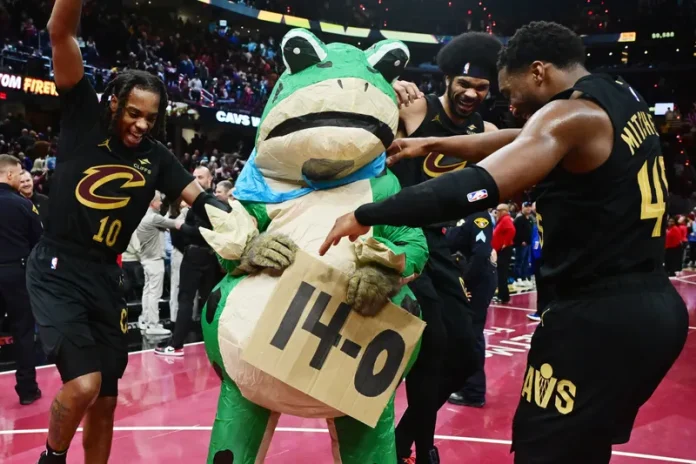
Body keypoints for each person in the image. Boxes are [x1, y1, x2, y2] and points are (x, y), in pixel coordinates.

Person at [321, 21, 688, 463]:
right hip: (652, 309)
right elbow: (519, 140)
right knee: (583, 449)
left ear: (537, 72)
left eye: (508, 90)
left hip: (596, 316)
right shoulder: (616, 97)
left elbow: (475, 187)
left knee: (542, 450)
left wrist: (366, 214)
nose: (509, 103)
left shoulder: (567, 115)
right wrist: (432, 143)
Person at [28, 1, 229, 462]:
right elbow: (60, 32)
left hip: (105, 275)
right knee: (84, 385)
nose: (141, 124)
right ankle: (51, 459)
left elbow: (203, 204)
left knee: (106, 401)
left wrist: (249, 228)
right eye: (133, 113)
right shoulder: (83, 115)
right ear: (114, 102)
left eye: (150, 118)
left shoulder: (157, 156)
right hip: (57, 267)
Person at [385, 31, 505, 464]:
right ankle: (420, 448)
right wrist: (389, 84)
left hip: (442, 246)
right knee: (433, 347)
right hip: (402, 238)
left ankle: (407, 437)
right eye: (465, 84)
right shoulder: (417, 106)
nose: (472, 93)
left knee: (465, 356)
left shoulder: (486, 131)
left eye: (481, 88)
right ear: (448, 77)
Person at [156, 167, 223, 357]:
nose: (195, 180)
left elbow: (202, 231)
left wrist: (181, 226)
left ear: (210, 179)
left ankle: (176, 344)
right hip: (206, 255)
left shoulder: (207, 205)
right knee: (206, 301)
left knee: (188, 300)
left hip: (198, 256)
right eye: (193, 177)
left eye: (200, 177)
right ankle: (214, 344)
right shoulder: (206, 204)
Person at [0, 155, 43, 405]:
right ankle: (27, 390)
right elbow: (38, 241)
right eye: (18, 175)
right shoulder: (23, 205)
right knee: (24, 332)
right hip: (17, 273)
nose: (20, 179)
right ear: (9, 176)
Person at [444, 210, 497, 408]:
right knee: (466, 333)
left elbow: (481, 253)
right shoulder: (462, 217)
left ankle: (474, 391)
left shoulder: (478, 218)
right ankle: (465, 382)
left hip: (476, 282)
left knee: (472, 333)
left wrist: (465, 282)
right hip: (468, 280)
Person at [134, 191, 183, 336]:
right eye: (159, 201)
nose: (161, 203)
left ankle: (145, 319)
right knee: (155, 294)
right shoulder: (154, 218)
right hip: (155, 260)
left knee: (148, 291)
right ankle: (153, 324)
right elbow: (176, 224)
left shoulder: (143, 217)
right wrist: (185, 212)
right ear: (152, 203)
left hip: (146, 260)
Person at [492, 203, 515, 304]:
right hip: (501, 250)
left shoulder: (506, 219)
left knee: (502, 273)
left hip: (504, 251)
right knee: (501, 273)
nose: (497, 213)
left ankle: (503, 296)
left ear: (504, 211)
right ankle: (502, 294)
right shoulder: (502, 220)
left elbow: (511, 230)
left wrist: (505, 243)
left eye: (499, 211)